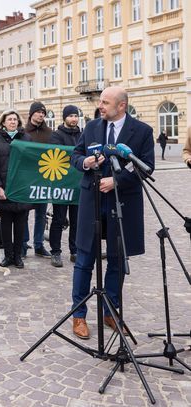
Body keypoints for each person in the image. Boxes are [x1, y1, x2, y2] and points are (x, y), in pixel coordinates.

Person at [70, 86, 154, 340]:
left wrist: (117, 180)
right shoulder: (92, 126)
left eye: (106, 102)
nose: (101, 105)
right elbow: (76, 155)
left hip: (122, 203)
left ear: (122, 106)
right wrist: (85, 162)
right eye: (100, 101)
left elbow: (146, 166)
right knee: (85, 259)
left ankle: (110, 311)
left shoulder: (142, 131)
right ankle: (79, 314)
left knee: (117, 259)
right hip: (92, 200)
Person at [0, 109, 33, 269]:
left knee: (21, 224)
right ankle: (8, 255)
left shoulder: (26, 138)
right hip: (4, 189)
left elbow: (32, 163)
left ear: (18, 122)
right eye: (9, 119)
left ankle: (18, 256)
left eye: (15, 119)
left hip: (21, 190)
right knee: (6, 225)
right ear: (3, 122)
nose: (12, 122)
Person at [48, 105, 81, 268]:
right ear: (65, 118)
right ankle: (56, 252)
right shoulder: (56, 135)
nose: (74, 119)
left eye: (76, 116)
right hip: (61, 184)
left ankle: (74, 251)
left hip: (78, 185)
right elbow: (58, 155)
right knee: (59, 219)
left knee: (76, 220)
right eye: (71, 116)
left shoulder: (82, 135)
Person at [23, 101, 52, 258]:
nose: (41, 115)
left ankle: (39, 244)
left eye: (43, 112)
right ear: (31, 113)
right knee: (24, 212)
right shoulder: (23, 132)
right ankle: (23, 243)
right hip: (27, 179)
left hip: (44, 178)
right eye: (38, 112)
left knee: (41, 213)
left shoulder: (50, 133)